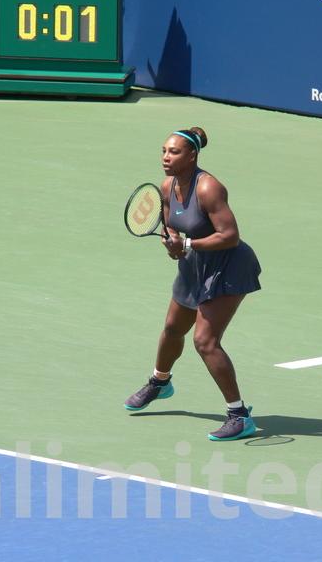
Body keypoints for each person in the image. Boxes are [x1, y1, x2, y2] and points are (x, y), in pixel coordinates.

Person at [123, 127, 262, 441]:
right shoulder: (166, 185)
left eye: (174, 152)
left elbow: (230, 236)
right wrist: (171, 240)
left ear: (192, 156)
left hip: (228, 266)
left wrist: (186, 245)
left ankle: (240, 416)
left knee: (205, 342)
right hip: (194, 264)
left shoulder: (209, 188)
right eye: (164, 151)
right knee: (173, 328)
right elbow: (171, 223)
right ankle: (160, 383)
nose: (166, 158)